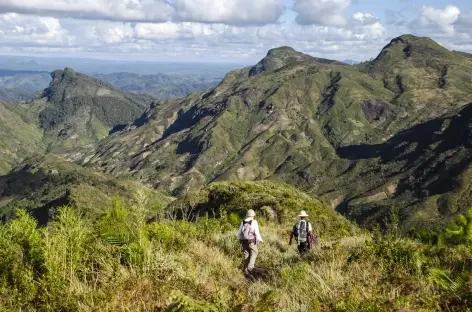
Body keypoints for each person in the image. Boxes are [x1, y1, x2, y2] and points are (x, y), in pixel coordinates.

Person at [237, 209, 263, 276]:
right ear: (253, 215)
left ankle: (245, 271)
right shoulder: (254, 222)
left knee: (246, 255)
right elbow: (256, 232)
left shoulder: (243, 222)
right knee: (254, 252)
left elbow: (239, 233)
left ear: (247, 215)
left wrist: (240, 239)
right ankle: (250, 268)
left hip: (244, 242)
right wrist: (260, 239)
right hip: (251, 242)